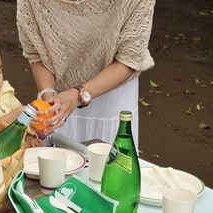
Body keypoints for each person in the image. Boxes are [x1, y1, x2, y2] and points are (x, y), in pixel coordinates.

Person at [16, 0, 155, 146]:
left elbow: (129, 58)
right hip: (56, 96)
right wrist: (48, 97)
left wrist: (78, 95)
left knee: (110, 165)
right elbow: (36, 53)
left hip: (112, 96)